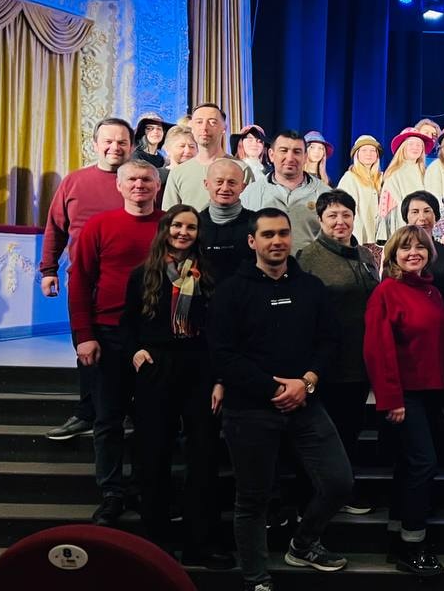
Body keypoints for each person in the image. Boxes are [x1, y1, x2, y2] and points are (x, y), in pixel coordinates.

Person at [209, 208, 353, 589]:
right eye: (268, 234)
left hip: (305, 402)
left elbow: (330, 341)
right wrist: (273, 389)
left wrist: (306, 381)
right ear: (252, 241)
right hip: (249, 410)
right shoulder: (230, 291)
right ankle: (256, 578)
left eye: (283, 234)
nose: (277, 241)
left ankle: (303, 544)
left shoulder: (311, 287)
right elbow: (222, 355)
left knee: (339, 482)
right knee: (252, 500)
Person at [123, 205, 232, 569]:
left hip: (200, 368)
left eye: (191, 227)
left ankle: (200, 543)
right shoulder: (144, 274)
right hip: (157, 367)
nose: (183, 232)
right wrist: (136, 351)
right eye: (177, 225)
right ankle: (156, 544)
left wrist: (219, 379)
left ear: (199, 233)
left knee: (203, 457)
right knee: (154, 455)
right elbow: (127, 323)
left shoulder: (209, 275)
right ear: (166, 229)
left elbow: (219, 330)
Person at [69, 158, 163, 526]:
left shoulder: (170, 225)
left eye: (147, 179)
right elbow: (80, 282)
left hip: (155, 337)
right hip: (107, 335)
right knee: (108, 419)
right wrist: (84, 336)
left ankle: (143, 487)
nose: (140, 185)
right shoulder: (99, 225)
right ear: (119, 186)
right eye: (132, 179)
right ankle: (111, 492)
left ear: (158, 186)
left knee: (151, 420)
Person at [363, 225, 444, 578]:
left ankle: (399, 539)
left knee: (410, 466)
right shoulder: (387, 291)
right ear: (393, 255)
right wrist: (392, 399)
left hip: (431, 393)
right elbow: (377, 349)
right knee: (423, 465)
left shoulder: (432, 291)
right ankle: (413, 547)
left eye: (420, 247)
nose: (413, 253)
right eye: (405, 248)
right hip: (404, 395)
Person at [40, 118, 134, 442]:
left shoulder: (141, 181)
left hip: (133, 283)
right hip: (84, 282)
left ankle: (126, 412)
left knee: (130, 349)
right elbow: (56, 228)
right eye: (108, 141)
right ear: (95, 144)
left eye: (122, 142)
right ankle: (87, 413)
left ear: (131, 146)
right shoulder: (74, 181)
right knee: (87, 348)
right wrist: (48, 270)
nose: (114, 147)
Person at [295, 190, 381, 516]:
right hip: (326, 364)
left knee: (349, 430)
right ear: (320, 220)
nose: (340, 221)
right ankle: (316, 497)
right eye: (332, 216)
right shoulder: (308, 257)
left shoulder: (364, 255)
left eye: (346, 215)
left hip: (359, 361)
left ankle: (344, 491)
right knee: (323, 435)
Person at [240, 130, 333, 254]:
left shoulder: (325, 193)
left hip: (311, 265)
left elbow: (334, 239)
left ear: (305, 157)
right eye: (283, 151)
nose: (290, 158)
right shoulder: (251, 193)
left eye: (297, 152)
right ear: (271, 155)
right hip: (264, 266)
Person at [164, 104, 252, 210]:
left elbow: (252, 212)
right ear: (192, 128)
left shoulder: (241, 169)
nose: (204, 128)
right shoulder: (178, 172)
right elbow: (170, 215)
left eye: (212, 122)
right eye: (199, 122)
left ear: (224, 128)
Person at [197, 158, 256, 281]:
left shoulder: (256, 224)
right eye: (219, 182)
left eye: (232, 183)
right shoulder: (195, 224)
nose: (225, 188)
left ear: (243, 187)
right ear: (206, 184)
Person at [377, 127, 436, 243]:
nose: (415, 148)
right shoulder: (395, 173)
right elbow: (393, 208)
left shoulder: (425, 173)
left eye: (419, 145)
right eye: (411, 144)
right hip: (404, 228)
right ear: (403, 147)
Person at [334, 135, 384, 250]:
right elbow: (346, 211)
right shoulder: (350, 178)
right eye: (364, 150)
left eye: (373, 150)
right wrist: (354, 243)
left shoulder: (381, 178)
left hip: (379, 240)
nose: (369, 154)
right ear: (357, 154)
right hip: (360, 240)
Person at [403, 190, 444, 290]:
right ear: (406, 217)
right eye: (415, 212)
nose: (422, 218)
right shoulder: (397, 252)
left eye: (427, 211)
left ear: (436, 216)